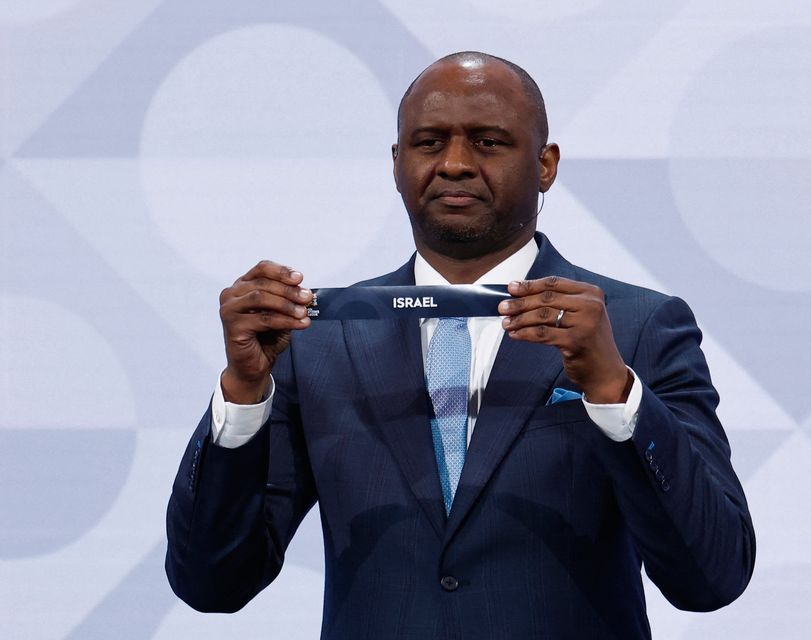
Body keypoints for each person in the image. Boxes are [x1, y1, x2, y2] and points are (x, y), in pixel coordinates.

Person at [165, 51, 755, 639]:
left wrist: (613, 391)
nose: (453, 164)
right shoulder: (315, 340)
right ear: (397, 163)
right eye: (428, 143)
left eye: (488, 142)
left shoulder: (637, 328)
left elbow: (713, 577)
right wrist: (242, 393)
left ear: (545, 164)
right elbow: (212, 584)